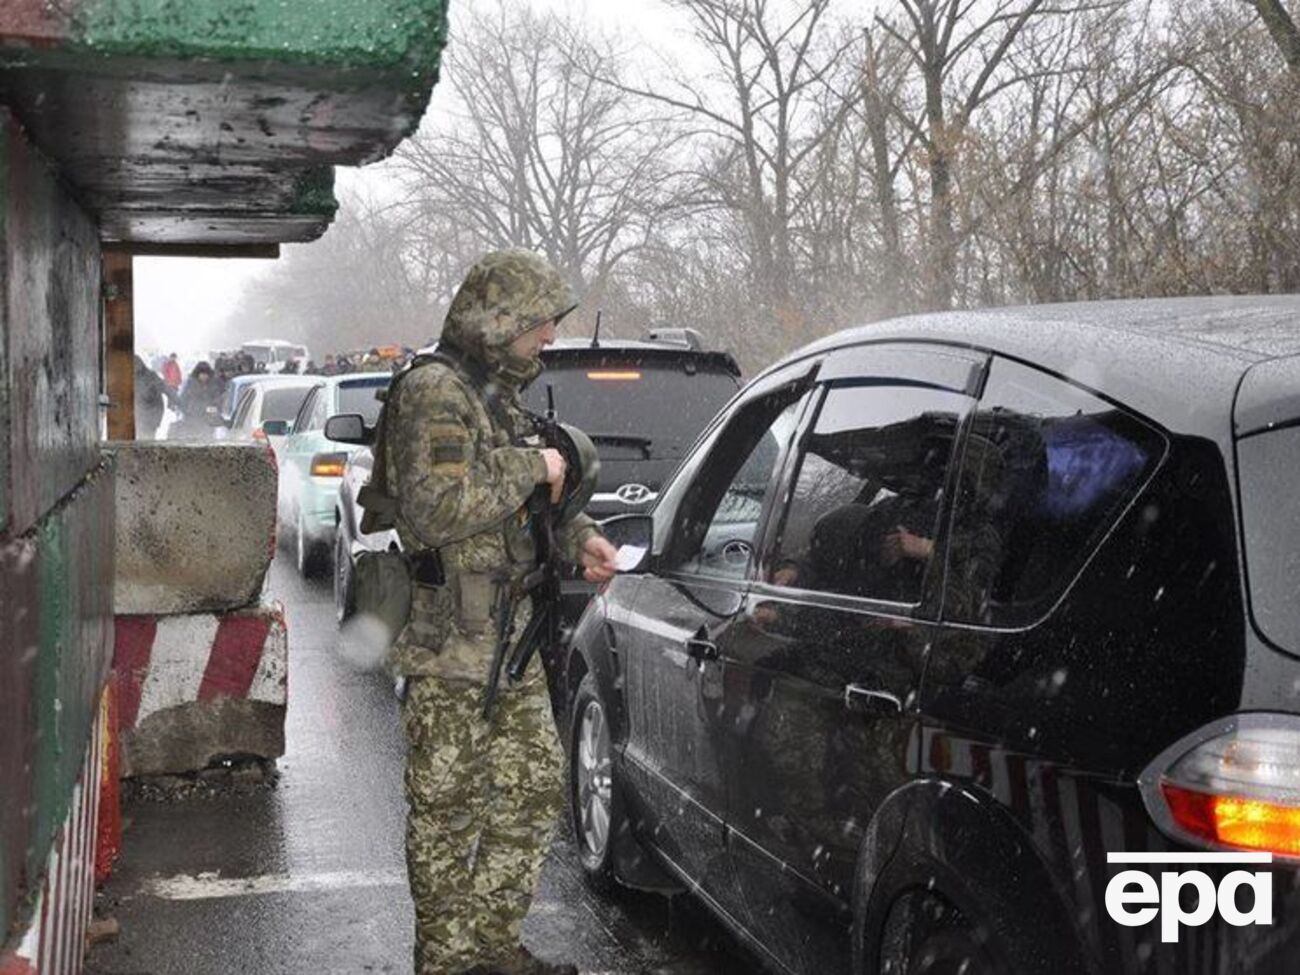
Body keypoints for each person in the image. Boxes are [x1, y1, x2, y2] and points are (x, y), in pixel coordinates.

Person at [382, 250, 617, 975]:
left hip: (511, 643)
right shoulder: (434, 391)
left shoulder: (497, 395)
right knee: (448, 814)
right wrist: (533, 466)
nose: (548, 335)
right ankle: (447, 963)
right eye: (539, 323)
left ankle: (488, 947)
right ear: (499, 319)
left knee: (533, 791)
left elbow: (527, 514)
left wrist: (581, 538)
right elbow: (439, 505)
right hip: (450, 644)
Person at [175, 361, 222, 438]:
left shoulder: (213, 385)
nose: (204, 376)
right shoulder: (190, 384)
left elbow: (217, 400)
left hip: (208, 421)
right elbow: (183, 400)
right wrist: (187, 411)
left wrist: (212, 410)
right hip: (191, 421)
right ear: (197, 374)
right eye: (202, 374)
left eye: (206, 374)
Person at [133, 354, 175, 440]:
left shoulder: (151, 376)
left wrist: (178, 402)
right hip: (139, 413)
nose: (134, 368)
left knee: (147, 438)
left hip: (151, 413)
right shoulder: (127, 377)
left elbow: (166, 388)